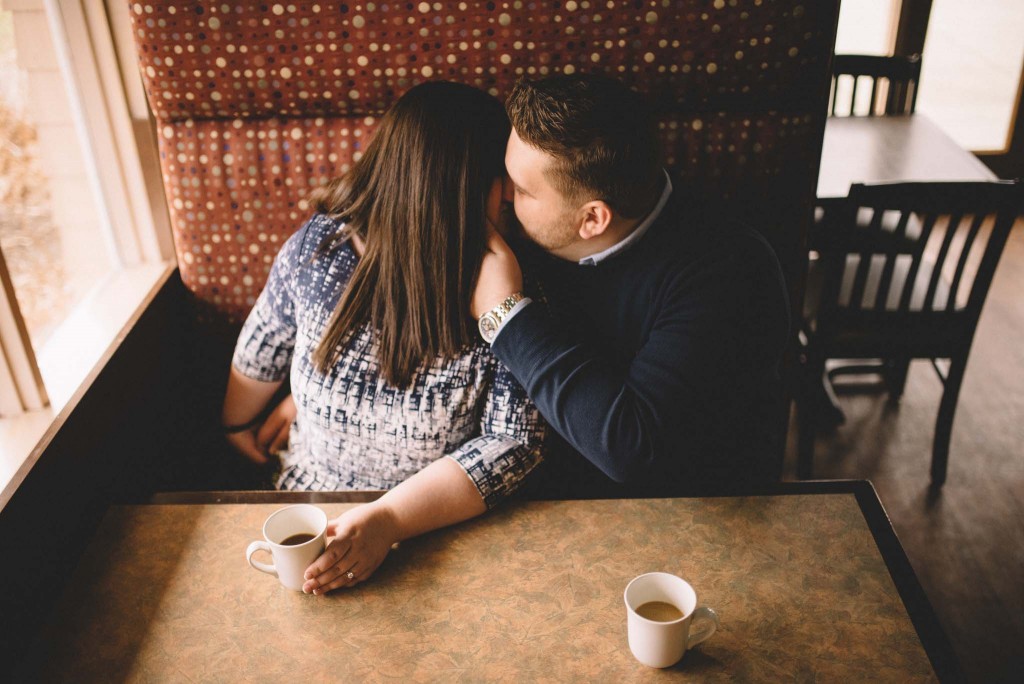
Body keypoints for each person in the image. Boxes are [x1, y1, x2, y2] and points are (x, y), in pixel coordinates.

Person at [223, 81, 545, 595]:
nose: (511, 193)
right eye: (502, 177)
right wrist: (239, 424)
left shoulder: (505, 280)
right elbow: (265, 341)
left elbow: (514, 442)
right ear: (461, 187)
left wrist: (390, 518)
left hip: (440, 528)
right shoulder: (320, 247)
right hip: (310, 516)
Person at [471, 73, 790, 497]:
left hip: (690, 511)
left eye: (524, 190)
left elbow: (633, 450)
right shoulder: (529, 236)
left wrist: (505, 314)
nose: (505, 195)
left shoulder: (729, 273)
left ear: (593, 219)